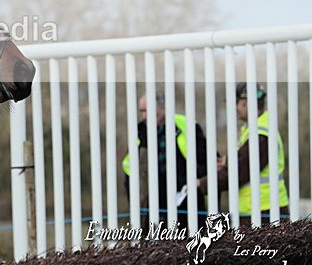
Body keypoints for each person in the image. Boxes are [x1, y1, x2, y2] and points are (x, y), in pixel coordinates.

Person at [198, 82, 289, 225]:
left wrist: (202, 184)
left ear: (246, 103)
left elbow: (239, 170)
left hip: (265, 212)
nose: (234, 108)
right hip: (260, 209)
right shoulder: (254, 129)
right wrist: (227, 162)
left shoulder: (260, 133)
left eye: (236, 102)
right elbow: (244, 161)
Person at [122, 90, 209, 229]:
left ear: (163, 108)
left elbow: (208, 160)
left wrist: (193, 182)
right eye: (141, 111)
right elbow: (129, 169)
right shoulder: (139, 133)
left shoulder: (185, 125)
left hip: (186, 204)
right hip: (151, 206)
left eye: (147, 111)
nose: (144, 116)